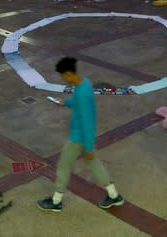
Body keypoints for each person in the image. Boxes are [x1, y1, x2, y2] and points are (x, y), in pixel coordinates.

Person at [37, 57, 124, 212]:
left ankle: (56, 201)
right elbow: (79, 104)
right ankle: (114, 195)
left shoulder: (82, 92)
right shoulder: (84, 84)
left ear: (69, 74)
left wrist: (88, 147)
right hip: (82, 138)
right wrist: (66, 103)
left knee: (63, 167)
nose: (63, 79)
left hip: (78, 138)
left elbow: (88, 122)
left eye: (63, 76)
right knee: (94, 165)